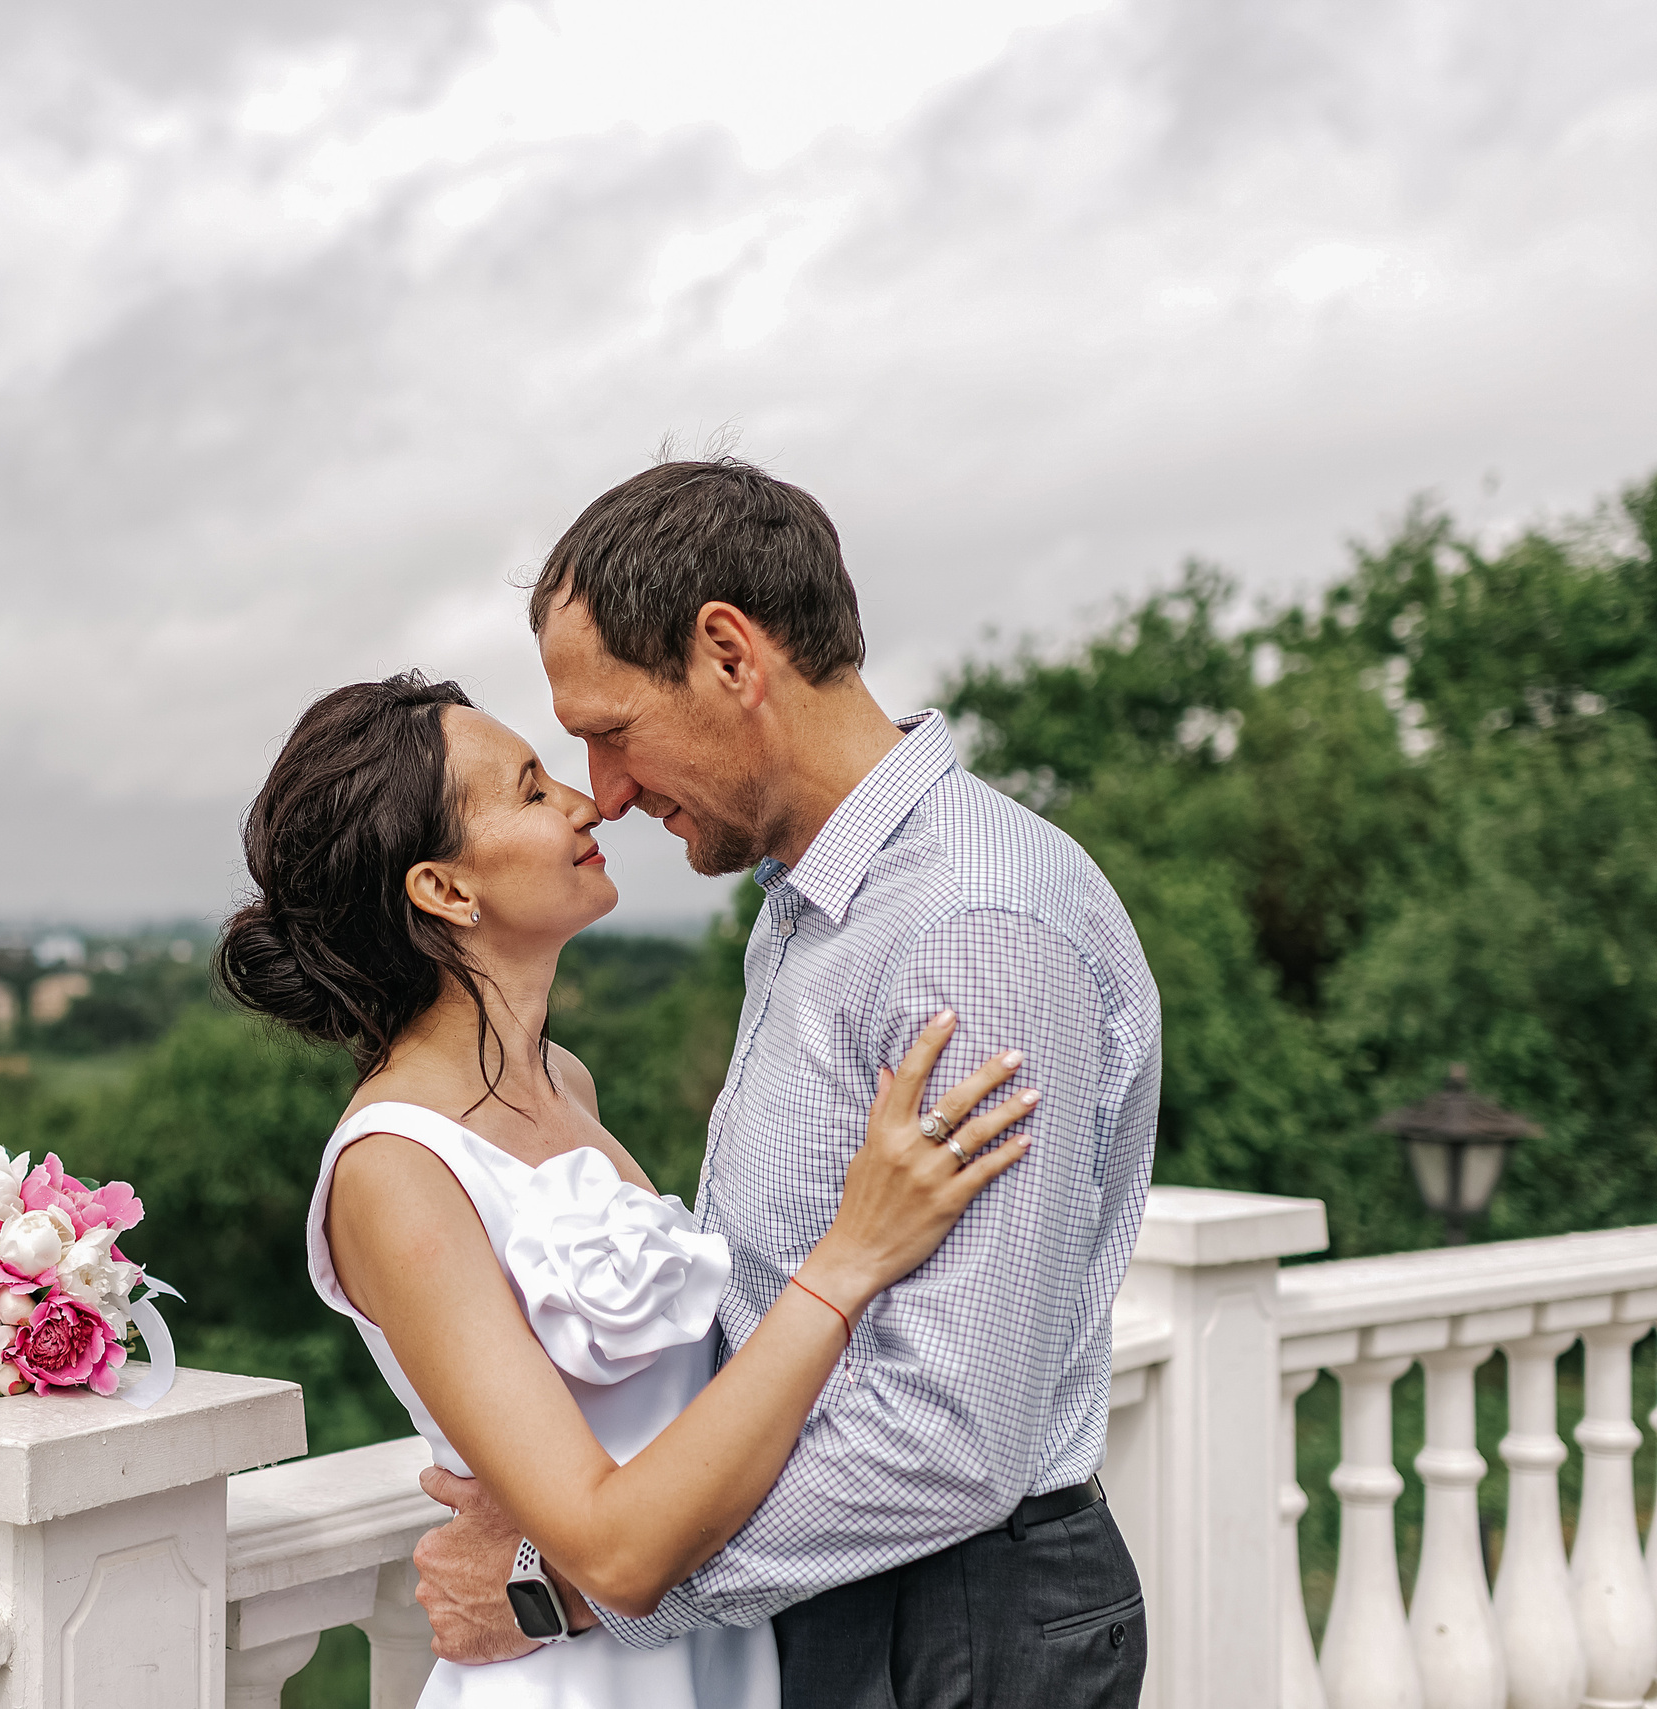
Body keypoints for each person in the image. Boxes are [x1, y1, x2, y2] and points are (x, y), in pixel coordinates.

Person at [409, 458, 1161, 1708]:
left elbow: (948, 1440)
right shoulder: (811, 902)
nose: (604, 792)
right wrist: (595, 1497)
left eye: (609, 730)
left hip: (949, 1621)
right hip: (849, 1603)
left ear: (728, 654)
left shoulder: (970, 928)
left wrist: (586, 1582)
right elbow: (763, 1290)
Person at [217, 670, 1038, 1709]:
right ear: (445, 889)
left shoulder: (567, 1080)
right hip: (571, 1678)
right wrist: (853, 1254)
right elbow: (609, 1542)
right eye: (527, 789)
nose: (585, 800)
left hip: (724, 1658)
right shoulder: (395, 1168)